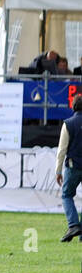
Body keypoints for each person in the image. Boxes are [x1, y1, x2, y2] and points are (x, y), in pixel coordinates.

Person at [56, 94, 82, 242]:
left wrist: (58, 171)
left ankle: (73, 225)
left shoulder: (68, 123)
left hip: (74, 166)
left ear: (73, 106)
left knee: (66, 195)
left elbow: (62, 150)